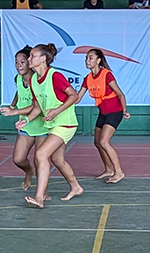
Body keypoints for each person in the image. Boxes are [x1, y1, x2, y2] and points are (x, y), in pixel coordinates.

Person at [14, 43, 83, 208]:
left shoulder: (55, 76)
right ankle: (76, 187)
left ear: (43, 59)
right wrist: (27, 120)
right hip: (53, 125)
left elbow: (73, 96)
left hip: (65, 124)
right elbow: (37, 107)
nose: (29, 59)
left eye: (32, 56)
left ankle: (39, 197)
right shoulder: (34, 81)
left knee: (41, 154)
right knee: (58, 160)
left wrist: (57, 110)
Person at [0, 46, 49, 191]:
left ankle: (42, 192)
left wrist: (13, 112)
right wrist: (13, 105)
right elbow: (19, 93)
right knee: (18, 159)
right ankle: (29, 171)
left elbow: (36, 106)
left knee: (40, 160)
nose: (18, 65)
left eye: (22, 61)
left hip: (41, 125)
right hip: (25, 125)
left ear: (29, 62)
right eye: (16, 62)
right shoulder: (19, 78)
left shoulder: (37, 80)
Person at [76, 49, 129, 184]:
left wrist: (124, 111)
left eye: (91, 58)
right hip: (103, 113)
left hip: (115, 112)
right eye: (86, 58)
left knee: (104, 142)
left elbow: (120, 94)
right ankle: (109, 169)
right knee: (97, 142)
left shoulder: (106, 75)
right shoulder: (87, 79)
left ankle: (119, 172)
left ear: (98, 60)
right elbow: (77, 98)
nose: (87, 61)